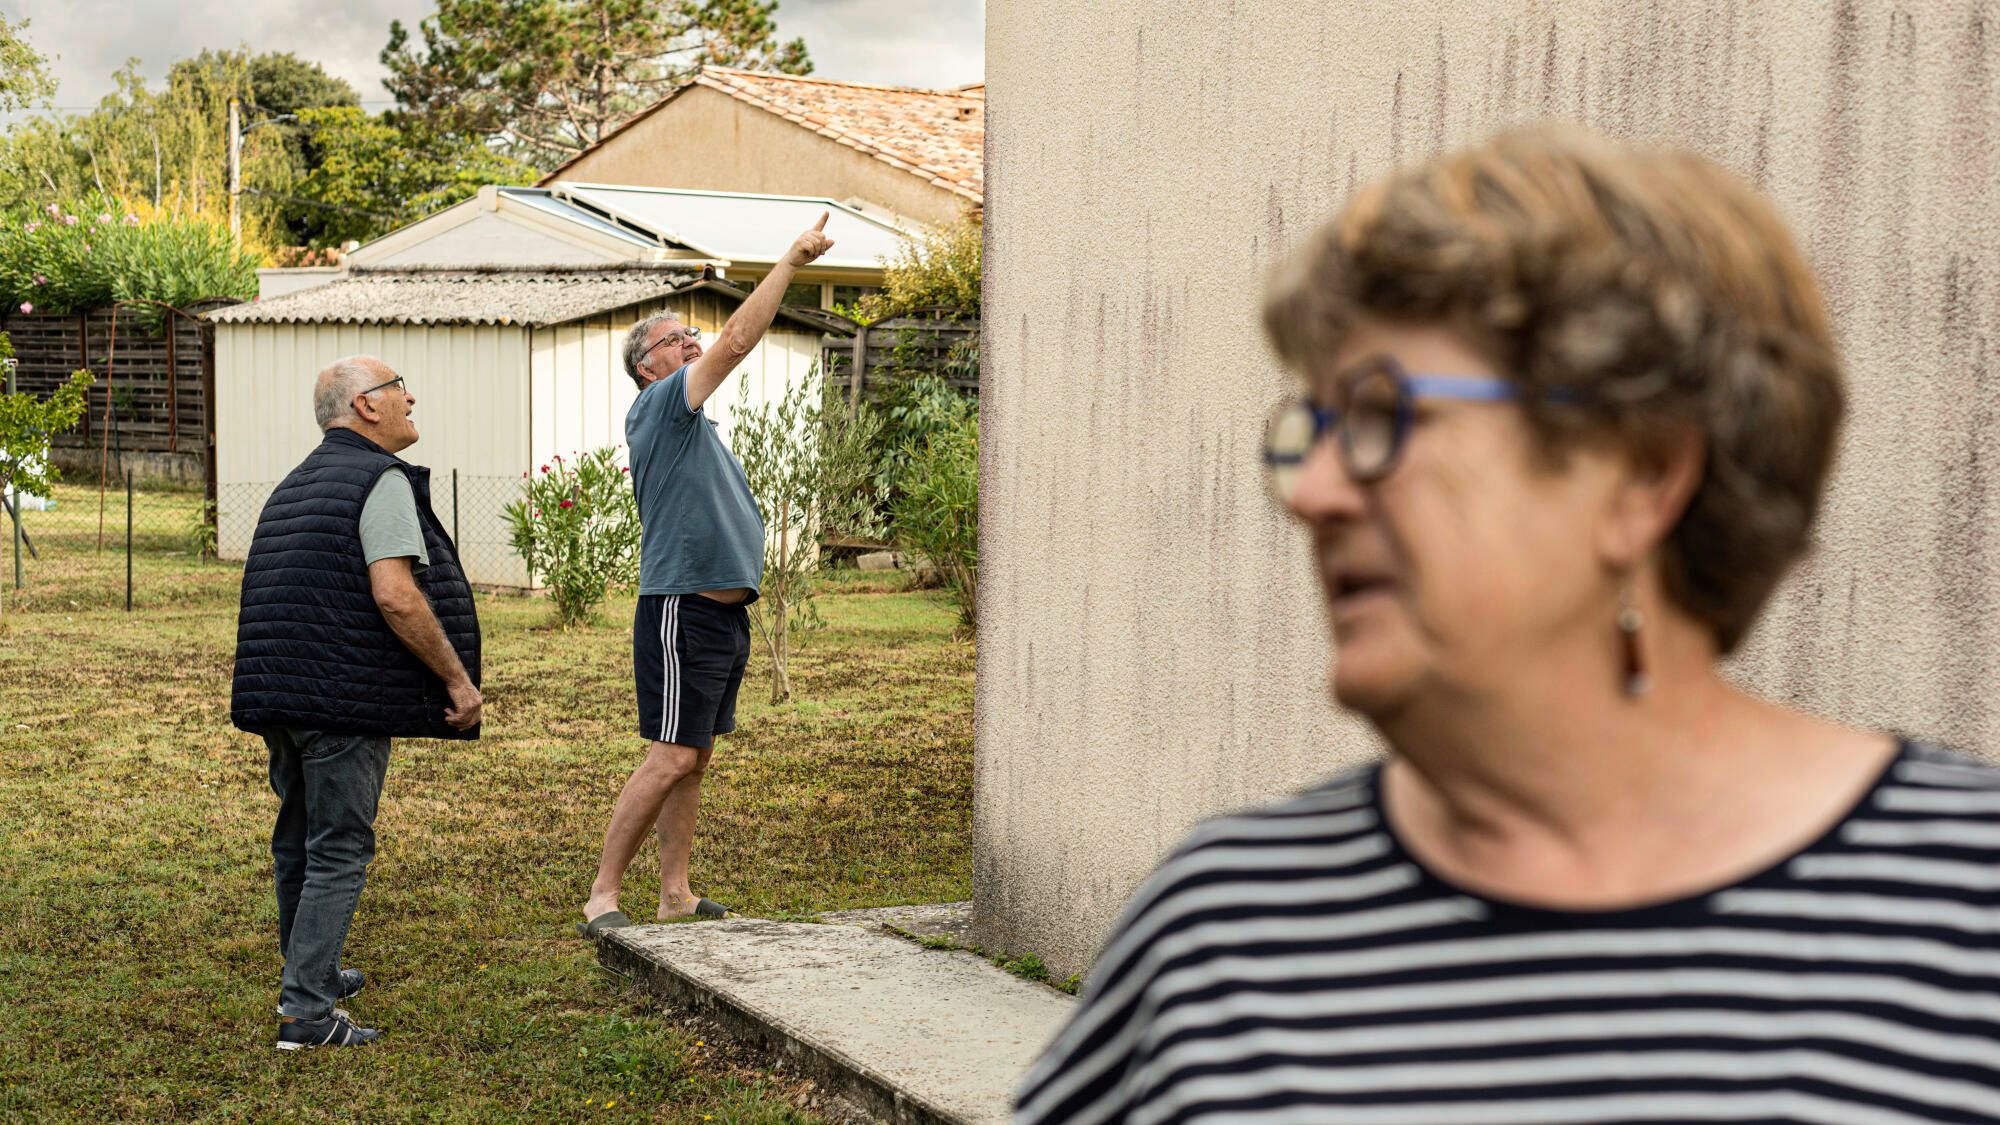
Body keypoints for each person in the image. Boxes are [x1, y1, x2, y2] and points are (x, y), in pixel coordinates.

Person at [1016, 126, 2000, 1123]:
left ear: (1642, 475)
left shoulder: (1966, 906)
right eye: (1308, 430)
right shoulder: (1220, 937)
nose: (1309, 492)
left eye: (1375, 417)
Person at [577, 214, 835, 935]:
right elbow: (740, 339)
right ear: (647, 367)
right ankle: (602, 894)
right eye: (674, 339)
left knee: (695, 758)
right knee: (668, 756)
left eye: (690, 332)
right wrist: (789, 259)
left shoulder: (697, 426)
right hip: (679, 608)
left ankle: (676, 893)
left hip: (722, 616)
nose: (691, 341)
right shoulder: (659, 408)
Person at [232, 355, 483, 1051]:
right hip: (341, 700)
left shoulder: (299, 481)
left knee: (299, 839)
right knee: (340, 846)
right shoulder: (379, 478)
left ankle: (308, 969)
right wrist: (458, 683)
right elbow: (396, 593)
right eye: (399, 385)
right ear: (367, 406)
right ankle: (306, 1013)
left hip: (279, 693)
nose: (411, 395)